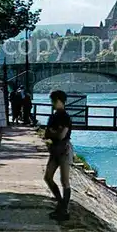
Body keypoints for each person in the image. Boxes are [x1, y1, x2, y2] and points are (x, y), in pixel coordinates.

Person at [44, 90, 73, 221]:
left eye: (53, 101)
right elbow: (47, 134)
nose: (52, 104)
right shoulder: (53, 117)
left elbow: (60, 135)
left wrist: (53, 132)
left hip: (64, 150)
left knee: (64, 181)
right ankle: (61, 204)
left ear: (59, 101)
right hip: (54, 150)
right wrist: (54, 132)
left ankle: (64, 210)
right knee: (48, 177)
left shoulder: (65, 117)